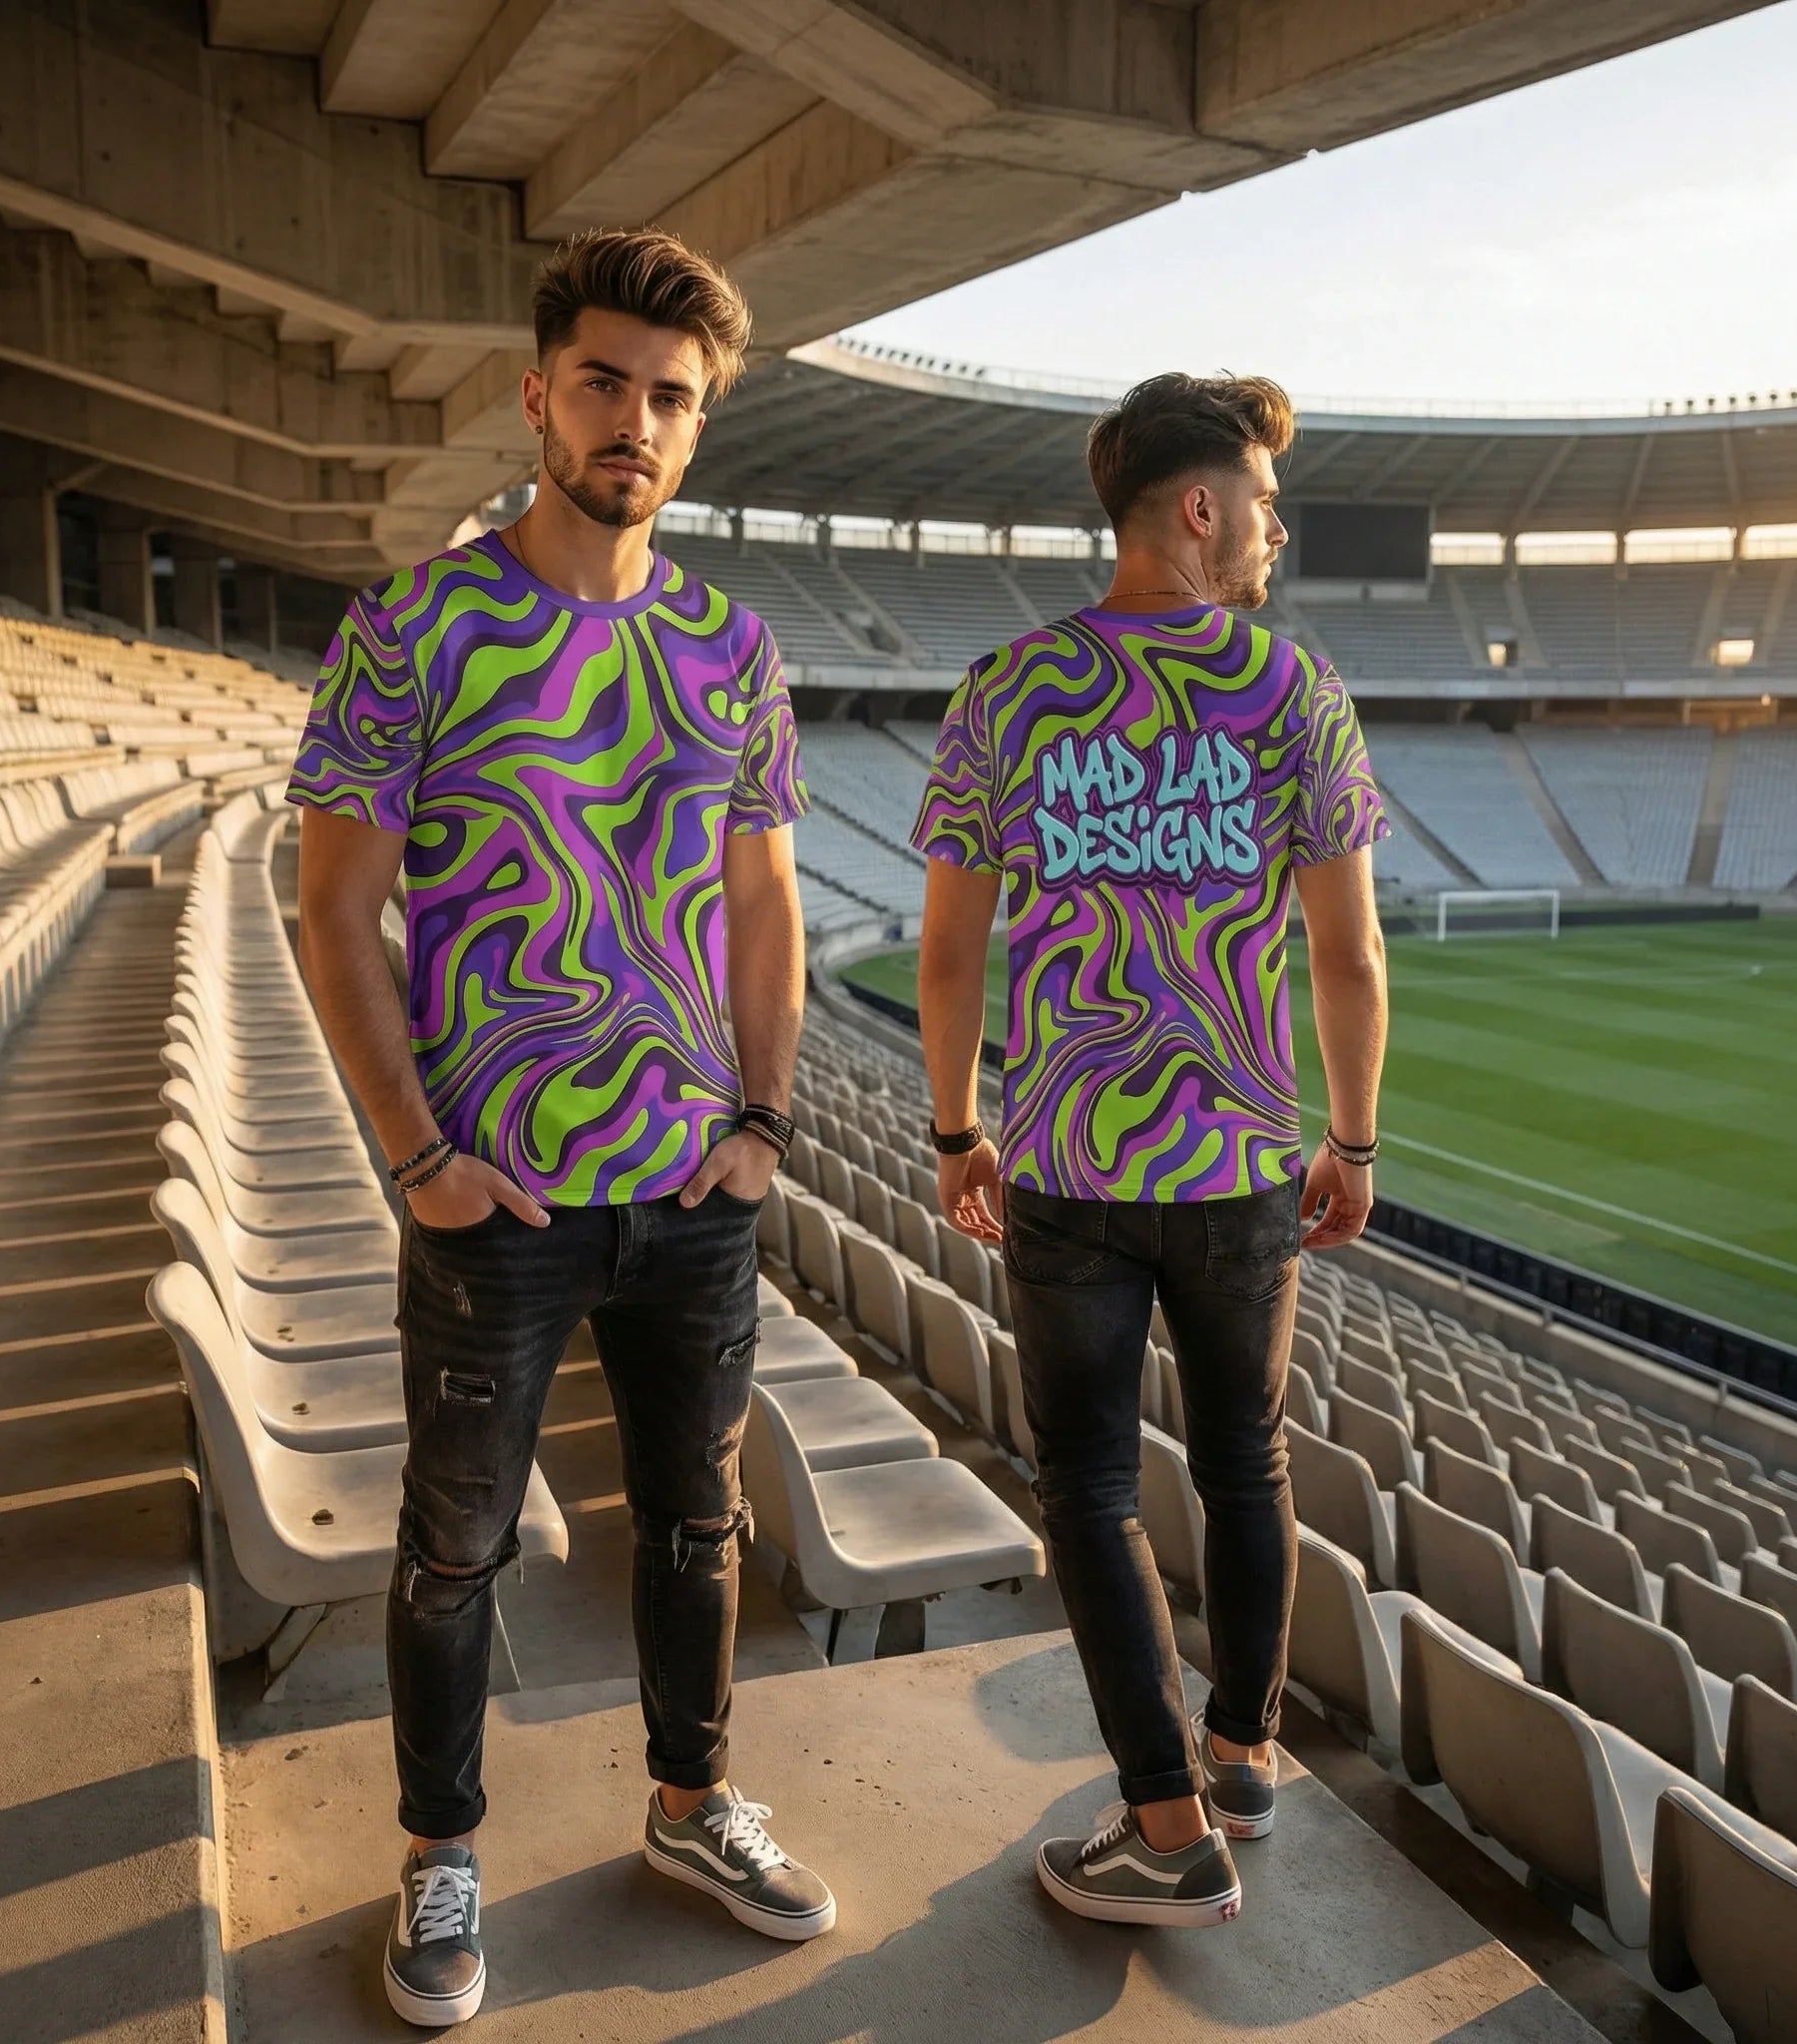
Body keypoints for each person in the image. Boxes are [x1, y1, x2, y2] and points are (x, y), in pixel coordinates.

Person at [289, 228, 833, 2029]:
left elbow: (766, 906)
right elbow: (331, 909)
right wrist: (419, 1155)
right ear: (538, 396)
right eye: (604, 383)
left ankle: (691, 1805)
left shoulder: (733, 646)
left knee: (696, 1525)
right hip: (494, 1204)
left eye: (670, 398)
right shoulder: (415, 626)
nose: (635, 420)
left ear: (697, 431)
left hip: (690, 1190)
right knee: (456, 1546)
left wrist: (760, 1120)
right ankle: (441, 1856)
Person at [911, 372, 1389, 1928]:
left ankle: (1166, 1815)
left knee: (1093, 1485)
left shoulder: (1011, 688)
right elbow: (1350, 958)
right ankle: (1239, 1757)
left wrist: (955, 1129)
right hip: (1244, 1164)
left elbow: (948, 957)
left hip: (1066, 1161)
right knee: (1247, 1463)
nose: (1271, 527)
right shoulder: (1294, 687)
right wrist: (1356, 1139)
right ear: (1198, 506)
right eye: (1258, 499)